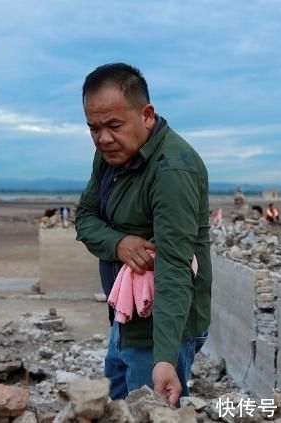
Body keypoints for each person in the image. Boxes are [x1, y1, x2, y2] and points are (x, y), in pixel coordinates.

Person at [75, 63, 212, 406]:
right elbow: (85, 218)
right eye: (94, 128)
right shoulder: (109, 156)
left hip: (163, 330)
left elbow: (175, 267)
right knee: (118, 408)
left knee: (149, 411)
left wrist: (165, 358)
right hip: (126, 318)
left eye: (114, 126)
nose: (103, 138)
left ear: (147, 114)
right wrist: (118, 244)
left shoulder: (173, 171)